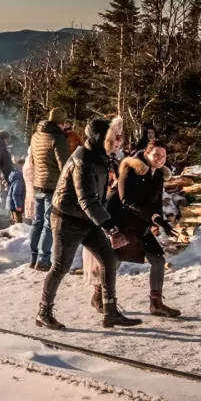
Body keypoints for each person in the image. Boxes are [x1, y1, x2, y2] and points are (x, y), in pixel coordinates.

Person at [36, 119, 143, 331]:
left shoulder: (100, 157)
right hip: (67, 219)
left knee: (110, 259)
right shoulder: (83, 160)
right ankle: (43, 312)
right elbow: (87, 200)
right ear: (101, 139)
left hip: (88, 219)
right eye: (115, 138)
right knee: (60, 266)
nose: (119, 142)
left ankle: (109, 311)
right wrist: (110, 228)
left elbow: (98, 197)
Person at [106, 140, 181, 318]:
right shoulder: (129, 169)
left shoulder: (158, 175)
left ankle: (156, 304)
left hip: (141, 224)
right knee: (113, 261)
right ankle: (101, 298)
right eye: (156, 155)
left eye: (163, 156)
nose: (160, 159)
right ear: (146, 154)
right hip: (122, 223)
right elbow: (126, 200)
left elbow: (155, 202)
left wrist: (160, 220)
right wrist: (153, 217)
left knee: (158, 260)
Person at [28, 108, 71, 270]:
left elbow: (32, 159)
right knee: (48, 224)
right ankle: (43, 259)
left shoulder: (35, 136)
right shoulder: (58, 138)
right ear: (61, 123)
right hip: (52, 186)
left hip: (37, 183)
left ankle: (33, 257)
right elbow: (65, 166)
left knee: (36, 222)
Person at [6, 156, 25, 224]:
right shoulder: (19, 178)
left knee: (14, 221)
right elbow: (15, 194)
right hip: (15, 205)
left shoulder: (15, 175)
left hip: (12, 204)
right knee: (18, 223)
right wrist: (18, 206)